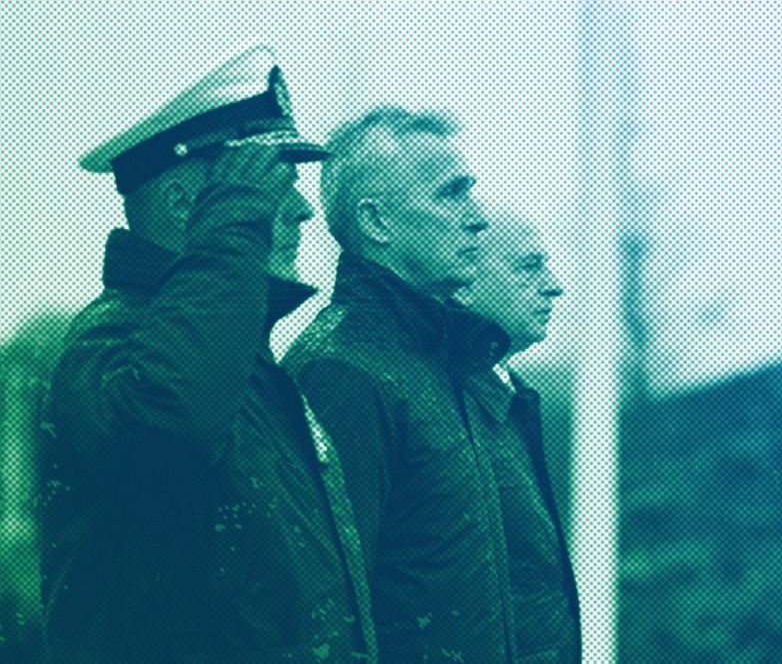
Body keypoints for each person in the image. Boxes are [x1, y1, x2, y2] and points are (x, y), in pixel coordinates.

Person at [39, 46, 376, 662]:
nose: (304, 209)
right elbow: (168, 420)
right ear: (185, 207)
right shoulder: (111, 346)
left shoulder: (237, 358)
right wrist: (232, 228)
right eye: (271, 187)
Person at [283, 106, 517, 662]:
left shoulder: (440, 361)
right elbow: (324, 613)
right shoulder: (342, 371)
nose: (478, 218)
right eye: (451, 193)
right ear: (377, 222)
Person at [455, 209, 580, 663]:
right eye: (529, 267)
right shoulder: (446, 400)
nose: (554, 286)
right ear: (465, 279)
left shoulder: (507, 395)